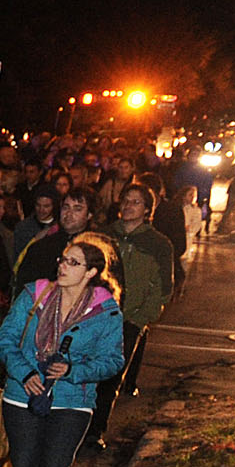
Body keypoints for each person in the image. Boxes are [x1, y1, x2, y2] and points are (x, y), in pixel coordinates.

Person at [0, 233, 125, 467]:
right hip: (23, 395)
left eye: (73, 262)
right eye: (63, 260)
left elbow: (113, 360)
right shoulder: (34, 294)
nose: (63, 267)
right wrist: (24, 373)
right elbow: (6, 339)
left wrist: (73, 370)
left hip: (71, 402)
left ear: (91, 273)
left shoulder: (105, 311)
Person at [90, 183, 173, 438]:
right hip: (96, 315)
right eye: (126, 200)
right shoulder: (104, 235)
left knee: (111, 378)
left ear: (147, 209)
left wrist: (140, 318)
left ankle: (96, 431)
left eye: (136, 202)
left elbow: (163, 287)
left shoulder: (158, 244)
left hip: (129, 320)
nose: (128, 206)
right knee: (87, 374)